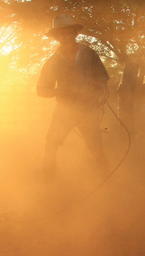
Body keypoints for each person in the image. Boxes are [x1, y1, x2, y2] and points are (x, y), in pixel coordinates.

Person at [37, 14, 110, 183]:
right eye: (61, 34)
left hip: (88, 108)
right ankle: (48, 184)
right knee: (50, 146)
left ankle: (105, 181)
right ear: (56, 37)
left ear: (74, 34)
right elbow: (41, 90)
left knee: (95, 148)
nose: (65, 37)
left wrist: (96, 87)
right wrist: (59, 92)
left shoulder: (89, 54)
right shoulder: (53, 61)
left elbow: (103, 78)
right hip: (64, 109)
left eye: (68, 32)